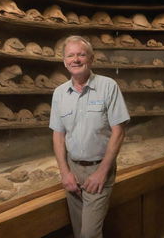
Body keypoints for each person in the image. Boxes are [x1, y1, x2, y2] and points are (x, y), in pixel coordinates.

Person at [49, 35, 130, 238]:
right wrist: (65, 172)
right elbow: (58, 135)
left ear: (91, 59)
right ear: (64, 61)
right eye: (70, 55)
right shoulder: (59, 93)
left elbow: (119, 132)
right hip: (73, 169)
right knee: (79, 232)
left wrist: (102, 172)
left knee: (89, 234)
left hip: (99, 168)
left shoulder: (108, 86)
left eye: (81, 55)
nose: (76, 60)